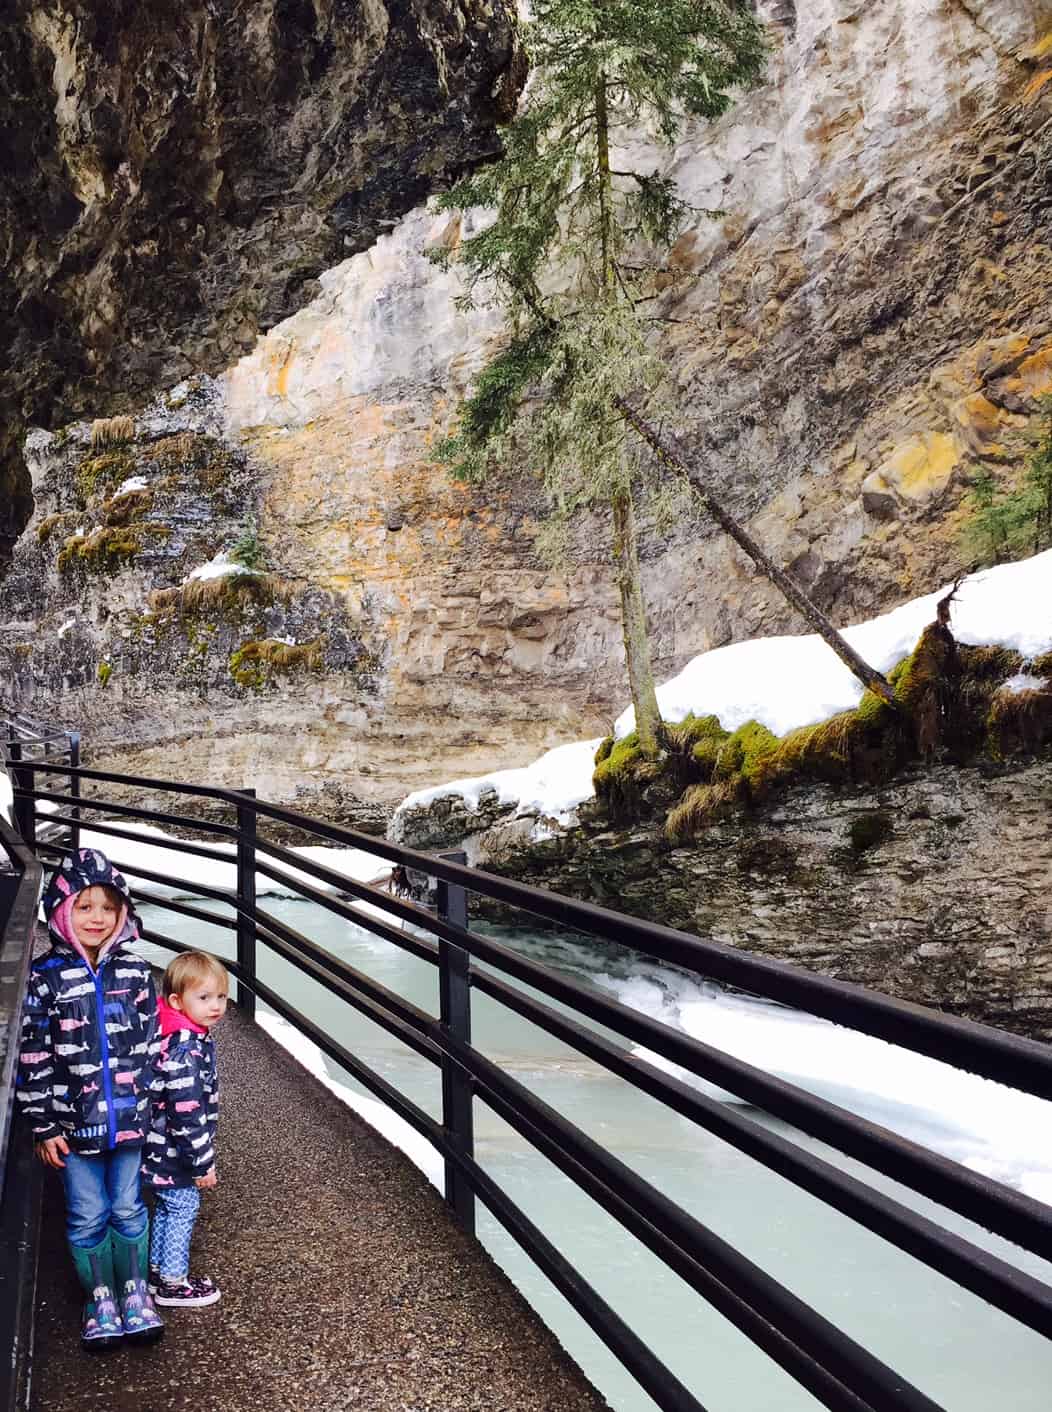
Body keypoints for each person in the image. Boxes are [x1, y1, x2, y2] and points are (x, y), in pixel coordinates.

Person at [16, 848, 165, 1350]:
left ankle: (135, 1293)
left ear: (123, 912)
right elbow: (32, 1055)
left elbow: (152, 1051)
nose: (97, 918)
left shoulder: (138, 973)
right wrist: (44, 1125)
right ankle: (99, 1298)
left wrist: (155, 1113)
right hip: (73, 1127)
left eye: (107, 906)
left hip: (129, 1122)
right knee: (87, 1211)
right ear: (61, 912)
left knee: (128, 1207)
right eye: (84, 907)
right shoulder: (45, 977)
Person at [142, 950, 227, 1307]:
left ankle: (159, 1272)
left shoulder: (177, 1032)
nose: (216, 1006)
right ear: (177, 1000)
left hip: (159, 1145)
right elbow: (186, 1113)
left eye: (221, 996)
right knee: (183, 1205)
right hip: (173, 1151)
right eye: (204, 997)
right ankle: (174, 1284)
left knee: (166, 1206)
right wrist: (202, 1163)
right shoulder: (185, 1049)